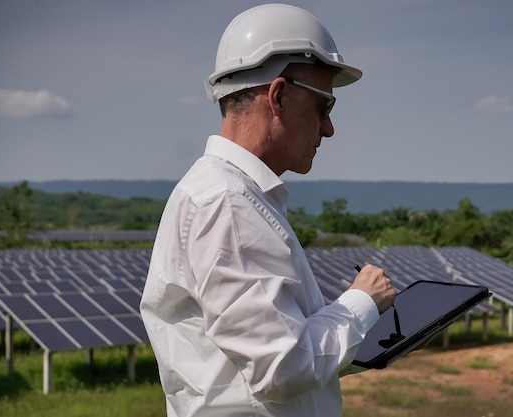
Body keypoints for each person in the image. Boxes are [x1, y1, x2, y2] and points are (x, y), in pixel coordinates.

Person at [140, 4, 396, 417]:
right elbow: (281, 368)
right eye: (324, 106)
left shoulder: (233, 195)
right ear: (277, 96)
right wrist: (361, 304)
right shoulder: (228, 203)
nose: (328, 128)